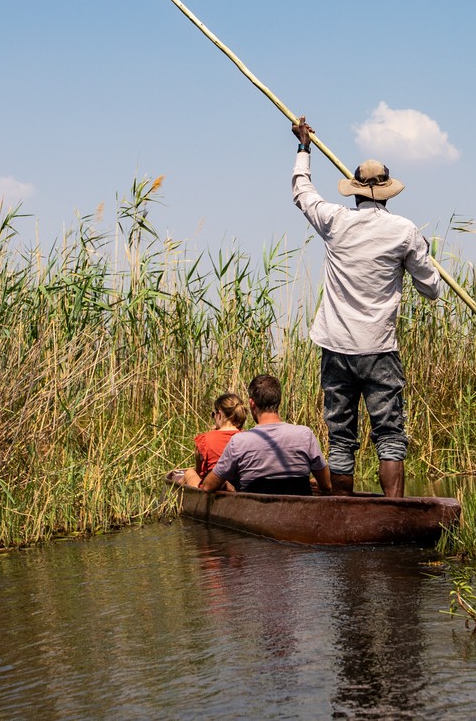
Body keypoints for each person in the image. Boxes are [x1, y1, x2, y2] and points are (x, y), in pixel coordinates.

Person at [288, 117, 441, 497]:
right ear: (387, 193)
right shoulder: (404, 231)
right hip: (379, 349)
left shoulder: (336, 222)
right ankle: (393, 512)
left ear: (353, 191)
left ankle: (344, 511)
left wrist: (304, 148)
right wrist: (416, 260)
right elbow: (432, 289)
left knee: (341, 436)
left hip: (337, 348)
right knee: (389, 432)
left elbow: (302, 193)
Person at [200, 374, 333, 496]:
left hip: (253, 511)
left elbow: (208, 486)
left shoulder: (239, 441)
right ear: (279, 401)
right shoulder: (305, 434)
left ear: (252, 403)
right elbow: (327, 485)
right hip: (299, 510)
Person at [182, 391, 248, 488]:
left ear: (219, 415)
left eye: (214, 414)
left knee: (189, 472)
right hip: (239, 489)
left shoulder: (205, 440)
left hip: (212, 489)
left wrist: (212, 434)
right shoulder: (247, 438)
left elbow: (200, 473)